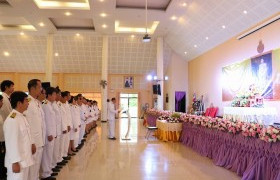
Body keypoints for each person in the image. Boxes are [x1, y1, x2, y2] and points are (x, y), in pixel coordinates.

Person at [4, 91, 34, 180]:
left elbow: (27, 135)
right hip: (18, 162)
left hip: (25, 160)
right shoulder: (12, 120)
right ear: (19, 103)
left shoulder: (21, 116)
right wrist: (15, 162)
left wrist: (32, 143)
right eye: (26, 101)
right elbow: (11, 142)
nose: (28, 103)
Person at [24, 79, 46, 180]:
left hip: (39, 140)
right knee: (32, 169)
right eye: (39, 87)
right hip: (33, 142)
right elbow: (26, 125)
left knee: (36, 169)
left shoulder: (36, 102)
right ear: (33, 89)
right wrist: (31, 142)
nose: (41, 90)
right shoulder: (27, 102)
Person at [41, 87, 57, 180]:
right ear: (49, 95)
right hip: (49, 134)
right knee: (47, 154)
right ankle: (45, 174)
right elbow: (46, 121)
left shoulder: (50, 104)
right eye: (54, 94)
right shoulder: (45, 104)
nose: (55, 96)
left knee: (50, 153)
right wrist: (49, 133)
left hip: (52, 133)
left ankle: (49, 170)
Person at [0, 80, 14, 179]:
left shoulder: (7, 98)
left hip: (5, 130)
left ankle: (4, 171)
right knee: (4, 153)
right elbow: (7, 115)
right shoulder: (4, 99)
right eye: (11, 86)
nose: (13, 88)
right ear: (6, 87)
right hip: (4, 131)